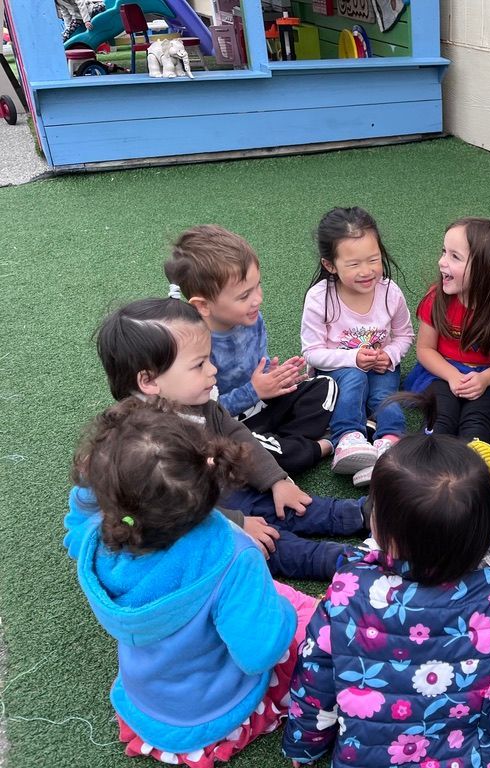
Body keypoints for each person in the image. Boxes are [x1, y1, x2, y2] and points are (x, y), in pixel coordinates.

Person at [282, 433, 490, 767]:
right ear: (485, 534)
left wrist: (304, 745)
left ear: (381, 530)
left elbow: (315, 681)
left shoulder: (346, 592)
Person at [64, 397, 319, 767]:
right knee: (305, 626)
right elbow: (260, 653)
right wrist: (280, 614)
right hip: (216, 711)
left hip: (146, 704)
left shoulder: (98, 537)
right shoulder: (232, 552)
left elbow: (84, 502)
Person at [96, 298, 367, 580]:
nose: (212, 370)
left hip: (223, 492)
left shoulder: (197, 401)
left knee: (289, 503)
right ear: (149, 381)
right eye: (199, 364)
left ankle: (362, 514)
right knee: (266, 543)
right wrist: (237, 524)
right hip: (190, 524)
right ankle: (347, 563)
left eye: (209, 358)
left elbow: (238, 434)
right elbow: (177, 510)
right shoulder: (142, 444)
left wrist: (276, 480)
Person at [165, 225, 336, 476]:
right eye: (244, 295)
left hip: (264, 406)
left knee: (326, 385)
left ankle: (282, 442)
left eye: (258, 286)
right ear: (203, 305)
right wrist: (254, 390)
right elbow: (204, 413)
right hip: (227, 425)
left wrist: (275, 377)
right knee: (245, 453)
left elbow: (259, 362)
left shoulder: (252, 319)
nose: (257, 299)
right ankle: (321, 446)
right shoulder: (192, 347)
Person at [403, 217, 490, 443]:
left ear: (487, 269)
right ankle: (423, 462)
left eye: (454, 256)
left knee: (476, 420)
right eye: (444, 251)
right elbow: (425, 349)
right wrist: (452, 376)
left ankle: (476, 469)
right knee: (441, 417)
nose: (442, 262)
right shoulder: (437, 298)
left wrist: (485, 379)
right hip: (441, 372)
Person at [301, 207, 413, 486]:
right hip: (336, 369)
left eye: (373, 260)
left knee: (384, 395)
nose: (367, 271)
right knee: (353, 378)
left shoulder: (390, 293)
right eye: (353, 265)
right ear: (330, 265)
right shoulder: (320, 298)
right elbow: (312, 352)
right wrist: (352, 358)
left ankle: (390, 442)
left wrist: (389, 355)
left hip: (380, 366)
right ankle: (348, 439)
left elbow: (404, 335)